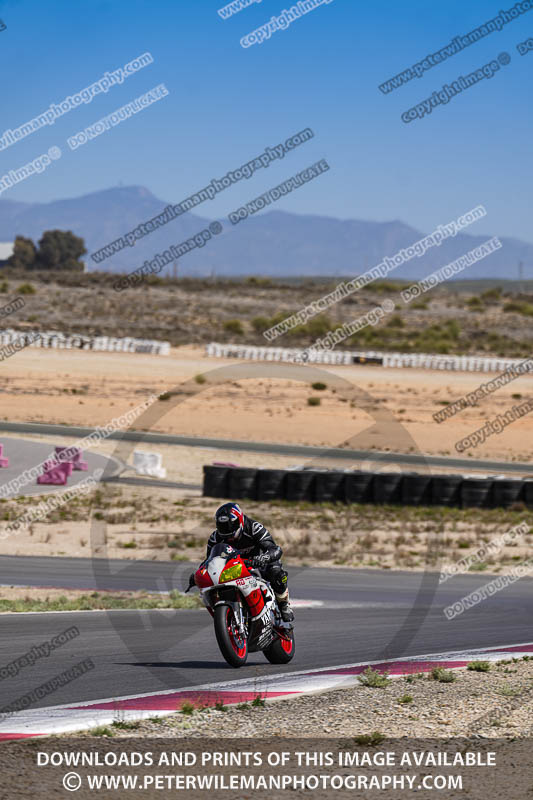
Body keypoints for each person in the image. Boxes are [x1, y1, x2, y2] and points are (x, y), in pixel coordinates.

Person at [196, 502, 294, 622]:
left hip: (260, 561)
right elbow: (209, 560)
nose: (227, 531)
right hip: (236, 565)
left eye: (230, 526)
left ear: (240, 521)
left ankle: (284, 604)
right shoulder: (215, 538)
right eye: (223, 527)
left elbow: (274, 549)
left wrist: (263, 558)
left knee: (277, 574)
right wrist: (199, 573)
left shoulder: (254, 528)